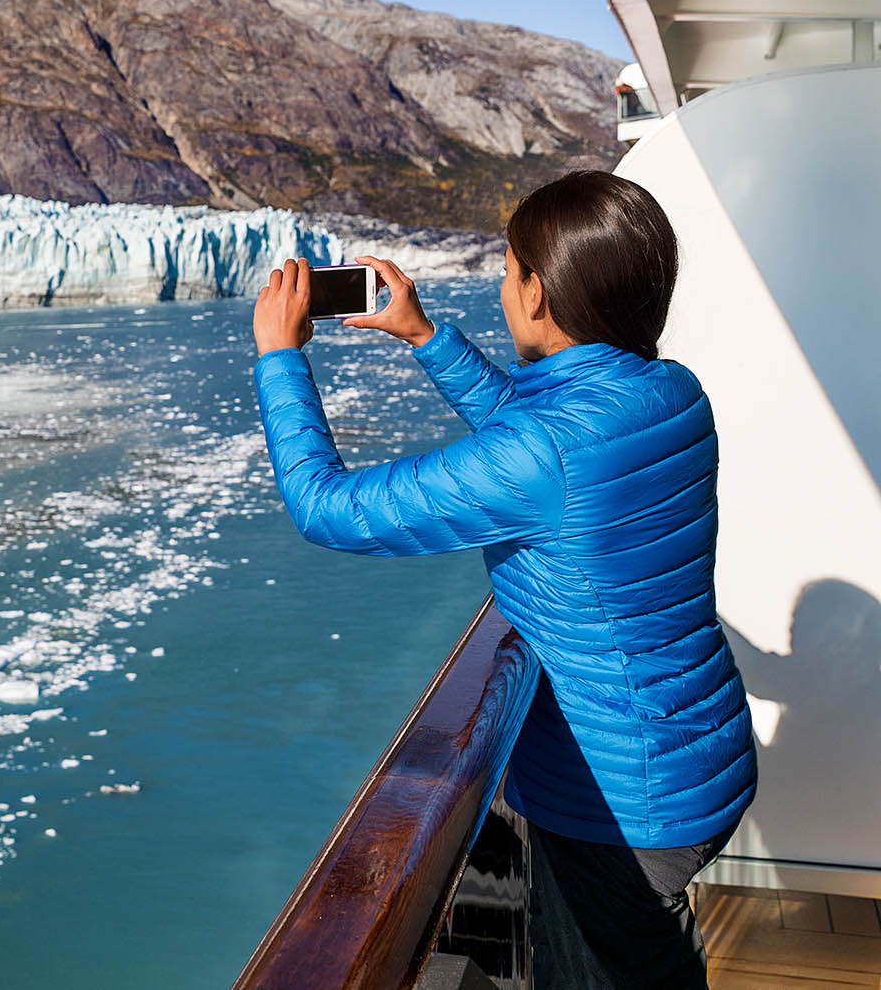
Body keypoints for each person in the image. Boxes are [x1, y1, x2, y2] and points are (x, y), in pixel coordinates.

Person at [250, 170, 755, 990]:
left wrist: (281, 358)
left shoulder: (547, 452)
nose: (502, 282)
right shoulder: (670, 396)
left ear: (540, 295)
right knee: (653, 960)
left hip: (620, 806)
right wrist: (424, 335)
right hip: (698, 756)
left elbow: (325, 506)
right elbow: (538, 439)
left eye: (513, 267)